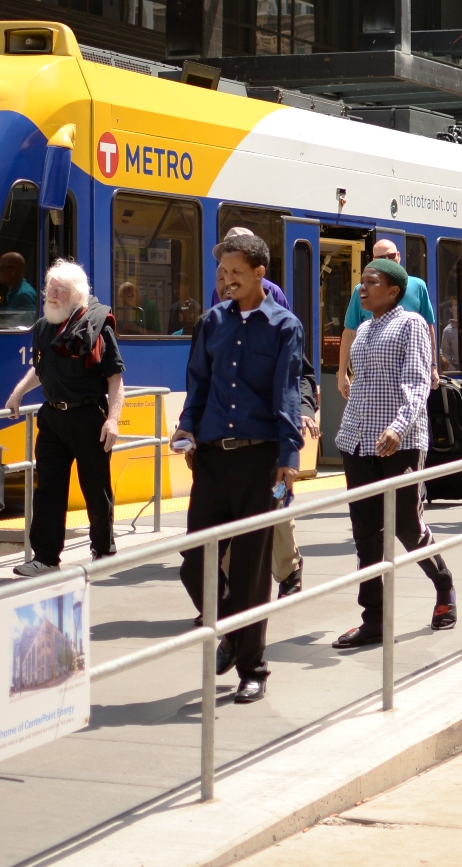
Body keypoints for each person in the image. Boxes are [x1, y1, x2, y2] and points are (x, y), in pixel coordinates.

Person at [176, 230, 304, 704]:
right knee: (194, 562)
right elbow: (198, 384)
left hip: (258, 460)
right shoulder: (211, 323)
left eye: (234, 273)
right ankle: (231, 630)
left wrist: (288, 458)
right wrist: (187, 430)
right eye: (221, 273)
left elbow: (286, 394)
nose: (226, 281)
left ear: (258, 274)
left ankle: (253, 668)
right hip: (211, 459)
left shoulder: (284, 326)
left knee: (252, 570)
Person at [331, 258, 457, 650]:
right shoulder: (365, 329)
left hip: (398, 441)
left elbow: (419, 382)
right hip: (357, 441)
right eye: (361, 282)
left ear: (393, 291)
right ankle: (374, 620)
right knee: (366, 536)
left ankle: (443, 582)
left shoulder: (412, 325)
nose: (362, 289)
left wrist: (397, 427)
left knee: (406, 525)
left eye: (372, 282)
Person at [207, 229, 313, 602]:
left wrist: (300, 410)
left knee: (275, 505)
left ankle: (288, 569)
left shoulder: (273, 301)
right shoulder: (218, 307)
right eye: (222, 269)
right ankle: (228, 596)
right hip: (227, 432)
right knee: (231, 521)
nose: (226, 279)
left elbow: (291, 367)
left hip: (266, 431)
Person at [6, 261, 124, 576]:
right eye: (50, 289)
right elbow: (42, 369)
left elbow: (114, 379)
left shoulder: (98, 326)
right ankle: (45, 558)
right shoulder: (44, 327)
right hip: (53, 420)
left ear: (76, 295)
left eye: (60, 290)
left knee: (96, 491)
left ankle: (103, 548)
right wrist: (19, 392)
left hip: (88, 419)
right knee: (48, 489)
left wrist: (112, 420)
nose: (53, 295)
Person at [0, 251, 41, 319]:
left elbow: (33, 325)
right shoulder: (15, 291)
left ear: (14, 272)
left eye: (1, 268)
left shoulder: (23, 295)